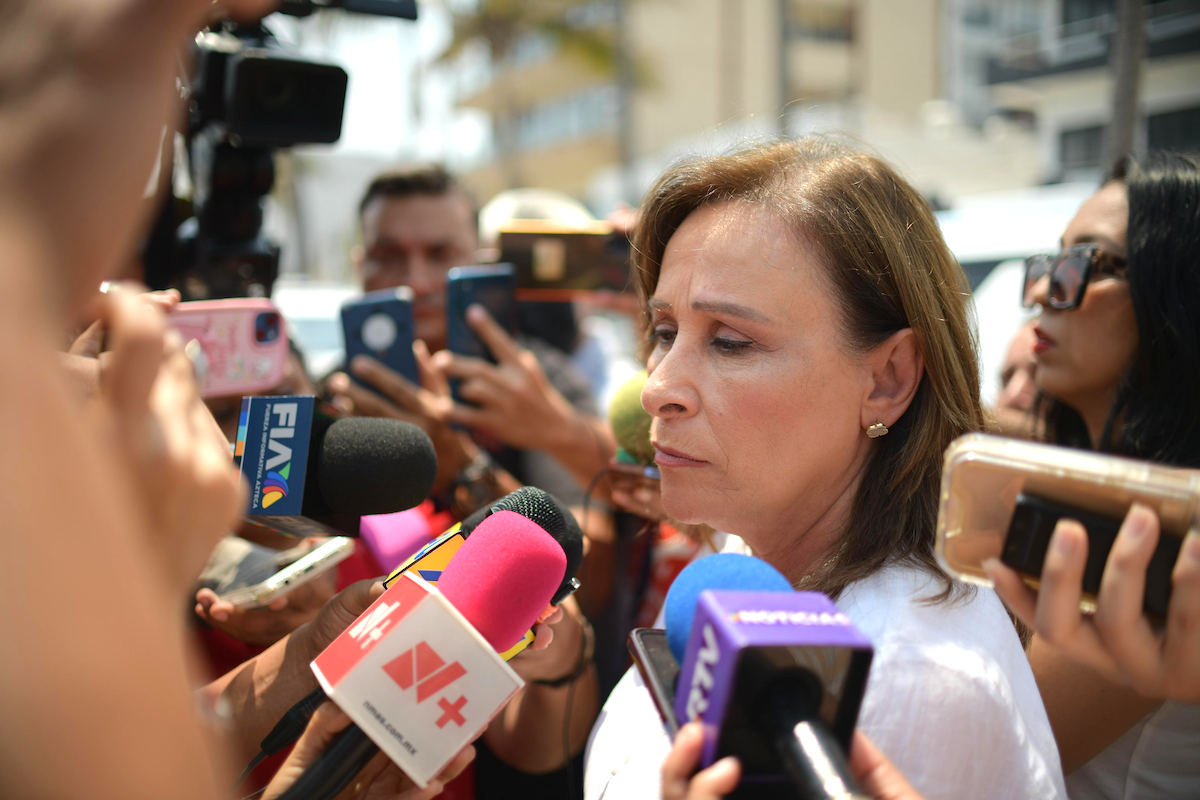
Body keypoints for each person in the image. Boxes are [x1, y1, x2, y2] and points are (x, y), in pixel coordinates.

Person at [582, 136, 1065, 800]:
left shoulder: (901, 673)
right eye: (664, 332)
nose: (657, 386)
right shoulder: (743, 560)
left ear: (889, 379)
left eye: (730, 342)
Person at [987, 150, 1200, 798]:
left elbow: (992, 752)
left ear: (1175, 290)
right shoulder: (1113, 482)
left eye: (1083, 262)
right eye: (1051, 262)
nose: (1040, 293)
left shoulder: (1162, 535)